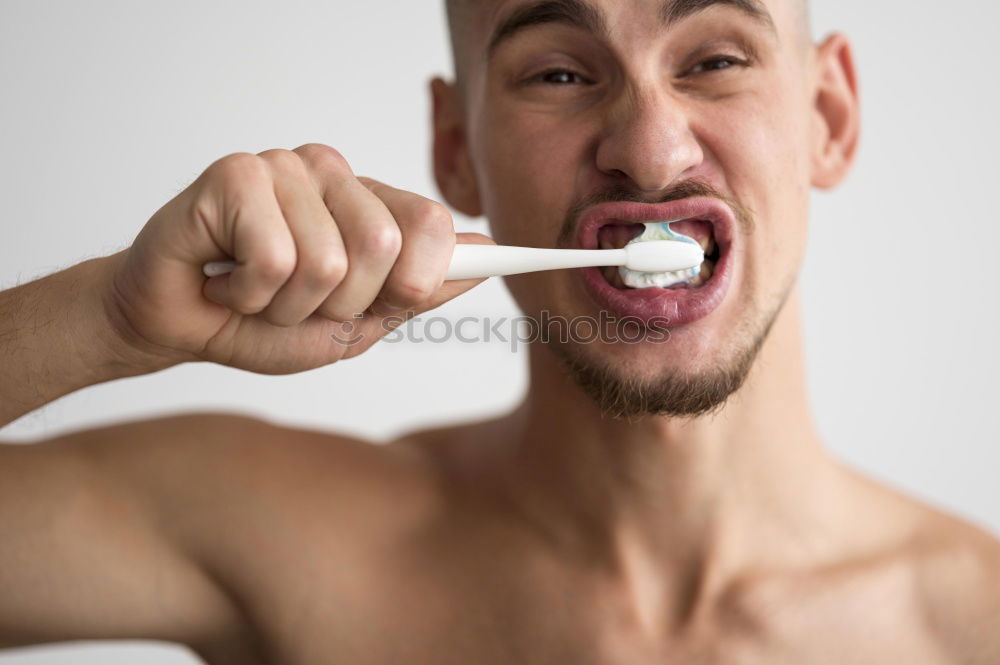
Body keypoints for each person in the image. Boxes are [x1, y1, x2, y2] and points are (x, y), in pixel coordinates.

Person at [1, 0, 998, 662]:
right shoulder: (287, 540)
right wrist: (107, 320)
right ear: (454, 149)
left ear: (828, 113)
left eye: (714, 59)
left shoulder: (974, 622)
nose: (648, 151)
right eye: (560, 74)